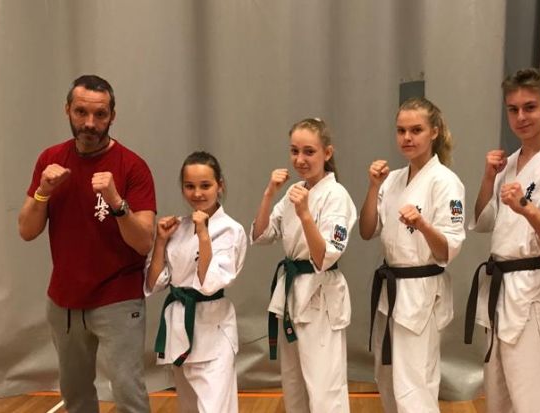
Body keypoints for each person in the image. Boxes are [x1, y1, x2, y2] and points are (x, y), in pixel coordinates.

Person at [18, 75, 155, 413]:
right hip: (64, 301)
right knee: (75, 394)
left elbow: (143, 243)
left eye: (100, 114)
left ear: (112, 116)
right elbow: (26, 230)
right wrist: (43, 192)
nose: (90, 123)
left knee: (128, 394)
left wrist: (117, 202)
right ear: (67, 110)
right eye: (81, 112)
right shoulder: (50, 159)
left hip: (118, 298)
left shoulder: (132, 166)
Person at [464, 68, 540, 413]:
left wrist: (525, 208)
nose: (521, 117)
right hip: (500, 289)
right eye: (513, 109)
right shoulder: (510, 163)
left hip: (534, 292)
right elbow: (484, 221)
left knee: (533, 402)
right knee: (498, 399)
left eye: (529, 107)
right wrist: (489, 178)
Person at [359, 97, 466, 413]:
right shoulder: (392, 179)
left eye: (416, 130)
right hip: (390, 290)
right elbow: (366, 230)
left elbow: (447, 250)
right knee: (387, 379)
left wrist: (422, 225)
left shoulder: (446, 182)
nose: (407, 137)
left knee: (414, 385)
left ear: (434, 131)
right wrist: (372, 187)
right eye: (401, 130)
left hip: (421, 291)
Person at [251, 118, 356, 413]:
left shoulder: (337, 196)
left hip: (321, 296)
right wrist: (269, 193)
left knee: (324, 390)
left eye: (309, 151)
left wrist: (305, 214)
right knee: (293, 385)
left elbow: (325, 257)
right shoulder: (293, 191)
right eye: (294, 151)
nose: (300, 159)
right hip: (291, 294)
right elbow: (261, 235)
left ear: (327, 153)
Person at [145, 151, 247, 413]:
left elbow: (209, 283)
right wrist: (160, 241)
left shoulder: (230, 229)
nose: (197, 193)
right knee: (189, 407)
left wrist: (203, 234)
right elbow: (155, 283)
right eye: (189, 186)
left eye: (205, 185)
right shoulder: (177, 227)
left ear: (219, 185)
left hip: (214, 332)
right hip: (181, 331)